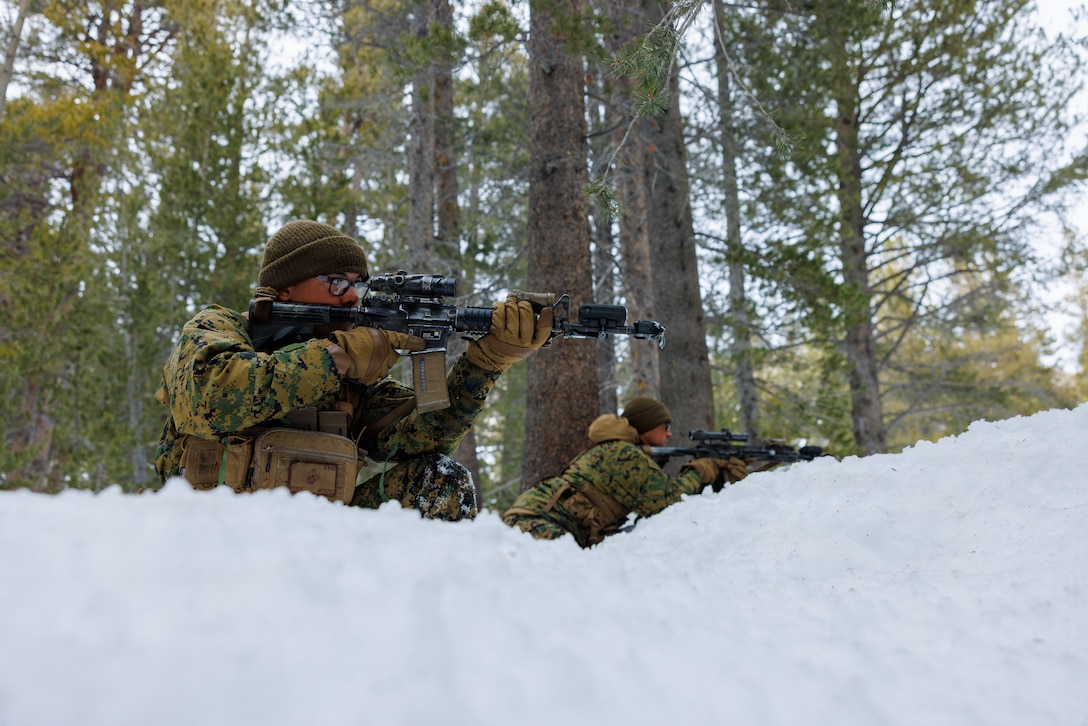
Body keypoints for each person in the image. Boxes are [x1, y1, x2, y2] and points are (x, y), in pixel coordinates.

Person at [154, 219, 552, 520]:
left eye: (359, 286)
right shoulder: (217, 329)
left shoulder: (351, 382)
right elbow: (212, 400)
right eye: (336, 283)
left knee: (439, 478)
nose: (351, 299)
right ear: (285, 287)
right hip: (209, 535)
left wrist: (487, 362)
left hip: (327, 544)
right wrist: (338, 356)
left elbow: (423, 438)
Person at [502, 396, 748, 547]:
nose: (670, 433)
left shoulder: (616, 450)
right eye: (665, 426)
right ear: (646, 427)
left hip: (530, 523)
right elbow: (669, 502)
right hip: (535, 526)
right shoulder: (624, 454)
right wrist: (702, 469)